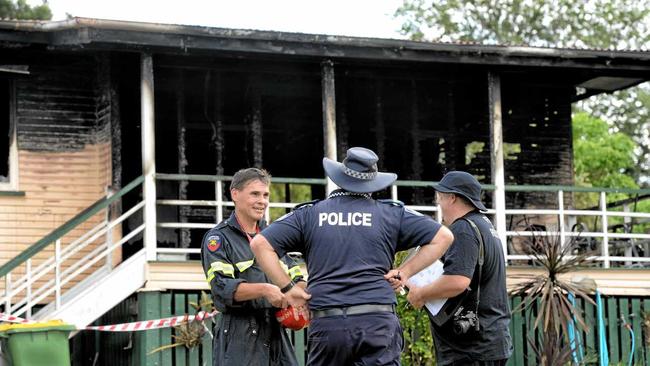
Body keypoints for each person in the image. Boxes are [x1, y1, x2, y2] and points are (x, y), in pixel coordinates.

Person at [250, 147, 454, 366]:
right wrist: (404, 272)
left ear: (340, 177)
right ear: (372, 183)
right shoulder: (391, 214)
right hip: (378, 322)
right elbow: (443, 236)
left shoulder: (309, 214)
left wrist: (288, 289)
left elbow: (260, 244)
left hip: (328, 323)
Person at [398, 171, 512, 366]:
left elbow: (457, 281)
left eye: (440, 197)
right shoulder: (484, 225)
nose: (439, 204)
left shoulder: (464, 229)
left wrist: (420, 294)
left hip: (471, 349)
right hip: (489, 341)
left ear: (452, 198)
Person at [200, 168, 306, 366]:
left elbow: (296, 277)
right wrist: (266, 290)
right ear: (235, 194)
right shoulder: (218, 238)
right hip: (239, 335)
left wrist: (297, 298)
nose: (262, 201)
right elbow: (221, 288)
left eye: (265, 195)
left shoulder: (274, 236)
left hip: (276, 332)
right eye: (255, 194)